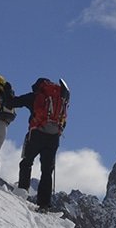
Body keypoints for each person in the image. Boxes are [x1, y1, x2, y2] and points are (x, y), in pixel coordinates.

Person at [6, 77, 70, 210]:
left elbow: (11, 103)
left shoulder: (36, 96)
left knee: (26, 162)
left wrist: (7, 92)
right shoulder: (60, 98)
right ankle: (44, 204)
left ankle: (22, 192)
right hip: (54, 138)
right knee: (47, 171)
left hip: (36, 134)